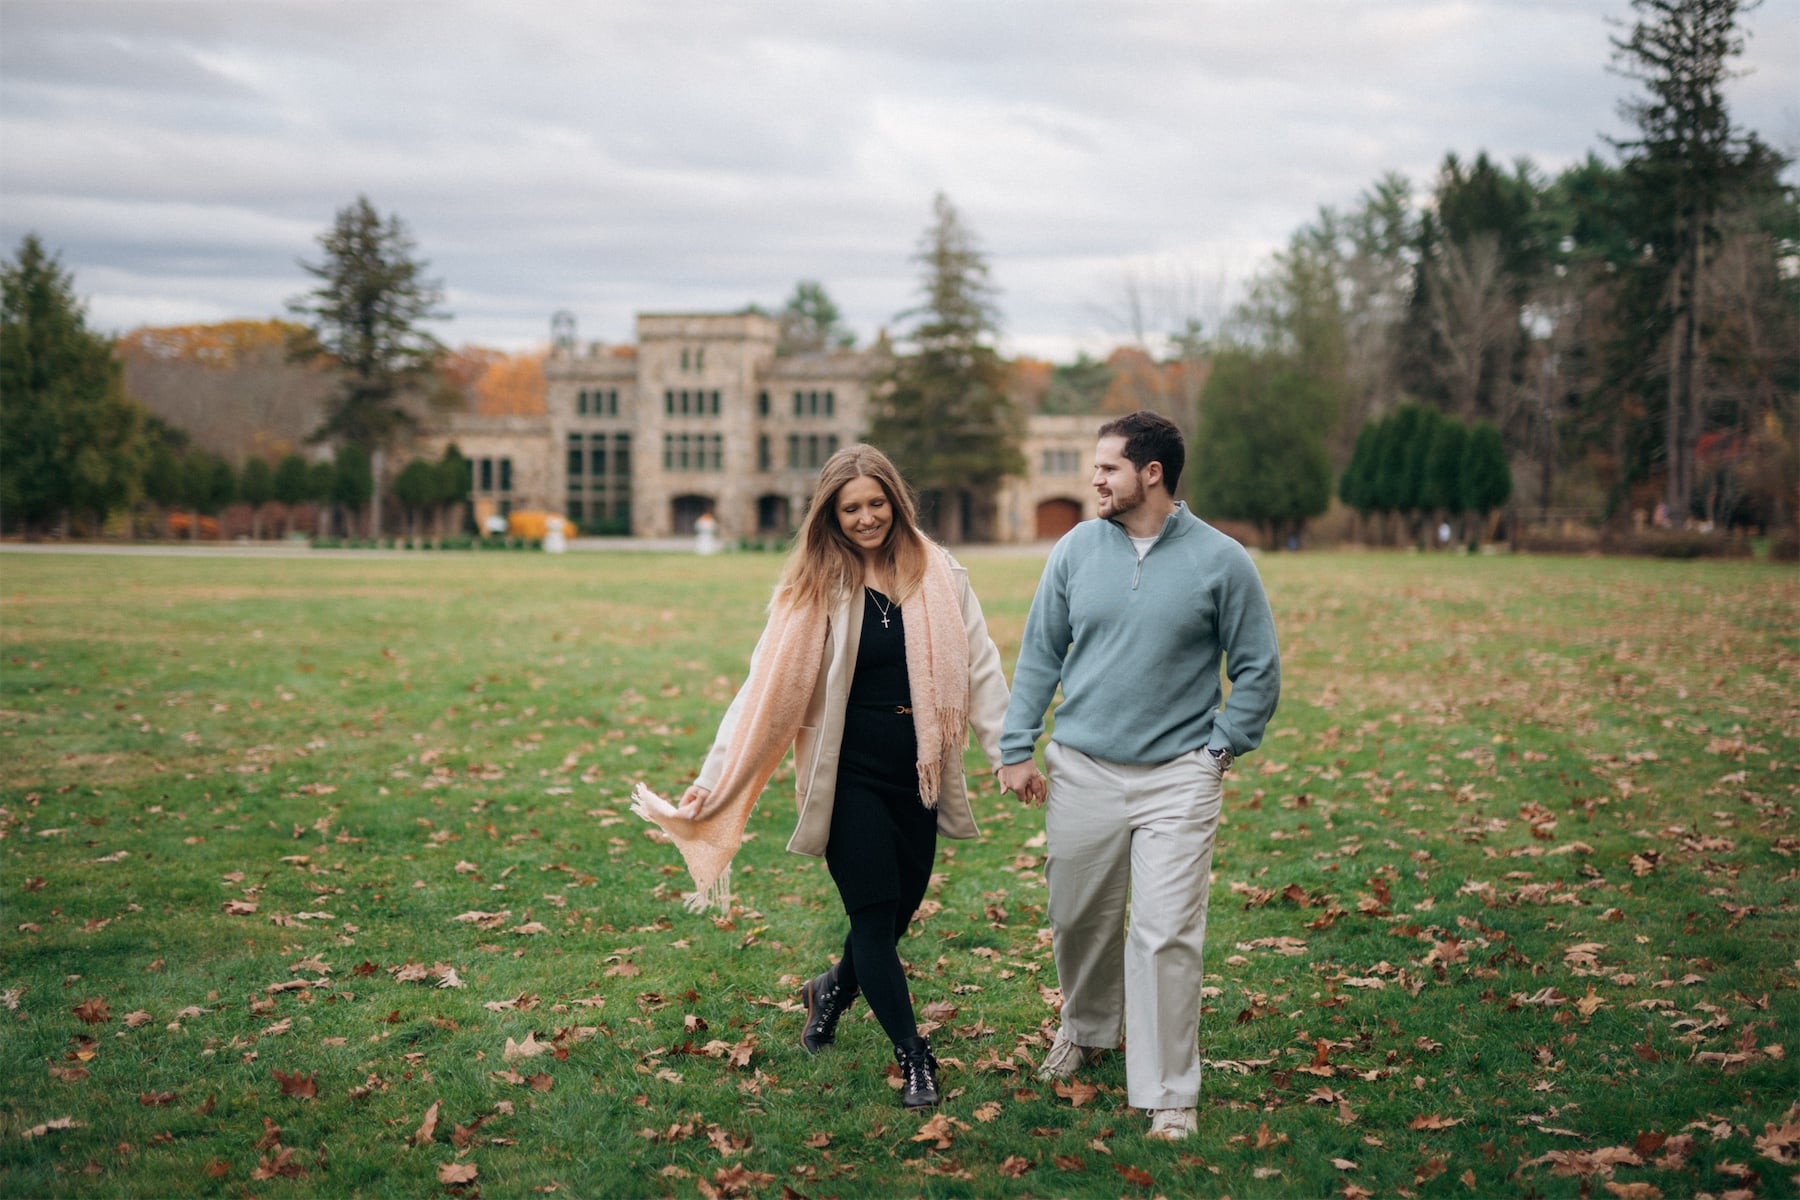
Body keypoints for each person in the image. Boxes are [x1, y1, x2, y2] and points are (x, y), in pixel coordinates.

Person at [633, 444, 1010, 1109]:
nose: (866, 518)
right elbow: (761, 691)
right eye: (850, 508)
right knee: (873, 916)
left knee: (895, 914)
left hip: (917, 770)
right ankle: (915, 1058)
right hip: (847, 776)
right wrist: (713, 776)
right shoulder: (816, 587)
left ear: (896, 502)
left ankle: (831, 989)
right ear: (831, 517)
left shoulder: (940, 574)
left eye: (876, 503)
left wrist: (1008, 754)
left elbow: (980, 668)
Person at [996, 410, 1281, 1142]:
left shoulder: (1222, 560)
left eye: (1108, 467)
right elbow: (1040, 651)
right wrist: (1017, 747)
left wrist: (1220, 750)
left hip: (1179, 776)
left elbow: (1257, 667)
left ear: (1151, 474)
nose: (1094, 478)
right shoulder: (1075, 548)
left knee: (1166, 934)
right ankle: (1086, 1029)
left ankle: (1170, 1091)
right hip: (1082, 767)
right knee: (1079, 919)